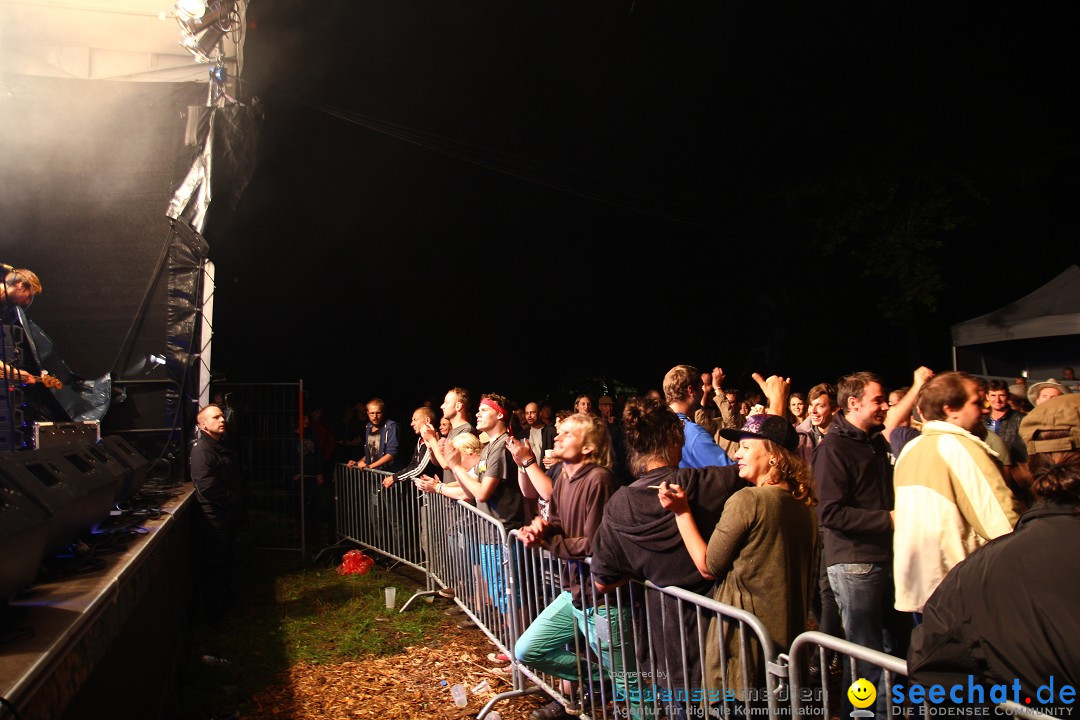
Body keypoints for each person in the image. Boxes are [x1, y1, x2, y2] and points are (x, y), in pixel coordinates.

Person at [907, 393, 1080, 709]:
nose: (985, 408)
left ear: (1032, 466)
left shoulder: (975, 575)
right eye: (976, 402)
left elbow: (931, 669)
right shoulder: (949, 449)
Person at [590, 397, 749, 716]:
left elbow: (603, 581)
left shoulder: (620, 506)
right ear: (676, 439)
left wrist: (642, 570)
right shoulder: (708, 484)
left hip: (665, 649)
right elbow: (756, 467)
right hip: (721, 643)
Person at [658, 413, 818, 702]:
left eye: (746, 447)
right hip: (787, 648)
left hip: (746, 649)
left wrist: (681, 512)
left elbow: (709, 566)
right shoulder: (804, 506)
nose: (735, 454)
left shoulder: (749, 500)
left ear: (774, 457)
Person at [511, 413, 636, 720]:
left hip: (605, 602)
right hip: (574, 593)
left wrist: (548, 543)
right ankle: (602, 680)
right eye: (560, 431)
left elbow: (595, 546)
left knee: (631, 686)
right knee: (528, 650)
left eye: (567, 433)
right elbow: (557, 522)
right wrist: (540, 529)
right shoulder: (562, 476)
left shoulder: (599, 479)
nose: (557, 436)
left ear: (589, 447)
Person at [892, 372, 1019, 622]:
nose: (984, 409)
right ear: (950, 410)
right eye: (976, 402)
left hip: (921, 588)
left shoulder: (910, 449)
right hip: (959, 591)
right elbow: (1003, 524)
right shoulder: (959, 448)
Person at [813, 371, 901, 716]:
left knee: (889, 650)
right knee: (866, 658)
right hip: (855, 564)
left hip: (883, 557)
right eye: (878, 400)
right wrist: (888, 519)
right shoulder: (832, 448)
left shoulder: (874, 442)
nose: (884, 406)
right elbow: (830, 513)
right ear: (854, 403)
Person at [189, 403, 246, 618]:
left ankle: (224, 603)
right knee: (214, 565)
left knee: (225, 562)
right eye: (215, 417)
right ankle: (215, 612)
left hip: (225, 516)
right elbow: (206, 485)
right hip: (214, 518)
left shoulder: (220, 446)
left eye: (222, 416)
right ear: (203, 425)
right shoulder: (202, 450)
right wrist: (234, 500)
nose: (222, 420)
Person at [346, 398, 401, 471]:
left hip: (388, 474)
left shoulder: (391, 426)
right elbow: (371, 452)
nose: (375, 416)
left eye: (378, 413)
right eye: (372, 413)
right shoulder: (369, 426)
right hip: (374, 474)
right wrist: (357, 463)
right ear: (367, 413)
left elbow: (392, 453)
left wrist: (370, 467)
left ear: (383, 412)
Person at [984, 378, 1027, 463]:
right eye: (993, 395)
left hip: (1013, 469)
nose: (997, 400)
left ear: (1007, 396)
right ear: (987, 397)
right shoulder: (981, 420)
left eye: (1001, 395)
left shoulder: (1021, 419)